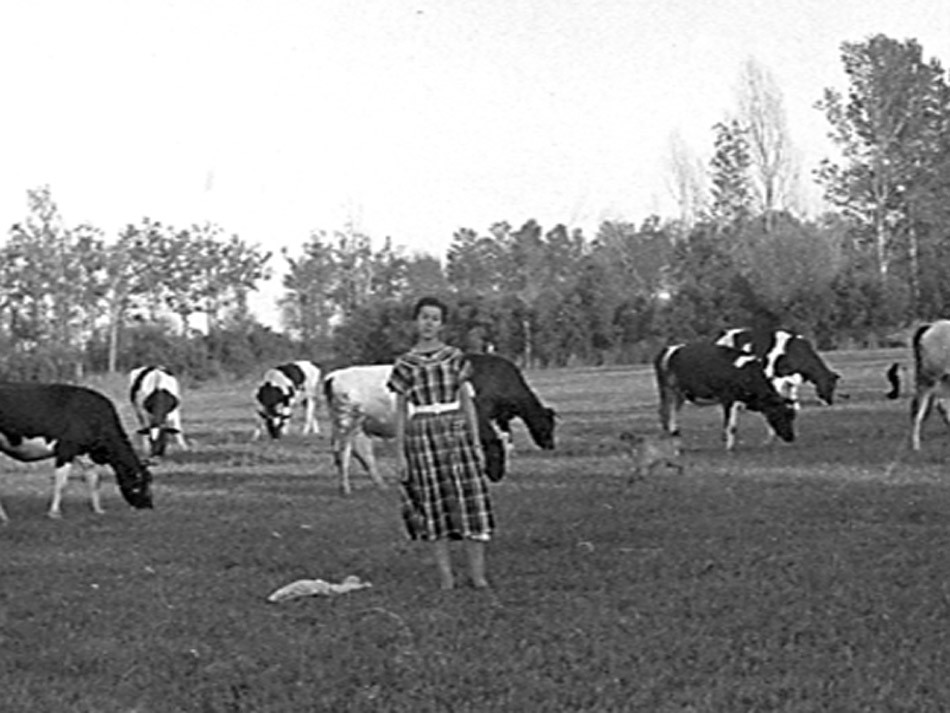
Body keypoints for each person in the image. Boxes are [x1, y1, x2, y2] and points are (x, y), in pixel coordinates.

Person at [387, 296, 494, 590]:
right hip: (421, 431)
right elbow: (399, 411)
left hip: (455, 426)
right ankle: (446, 576)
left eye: (435, 318)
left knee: (469, 498)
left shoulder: (455, 358)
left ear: (442, 324)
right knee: (433, 501)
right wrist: (401, 455)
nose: (429, 323)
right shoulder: (404, 364)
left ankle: (477, 575)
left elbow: (466, 402)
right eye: (424, 317)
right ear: (415, 321)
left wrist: (475, 443)